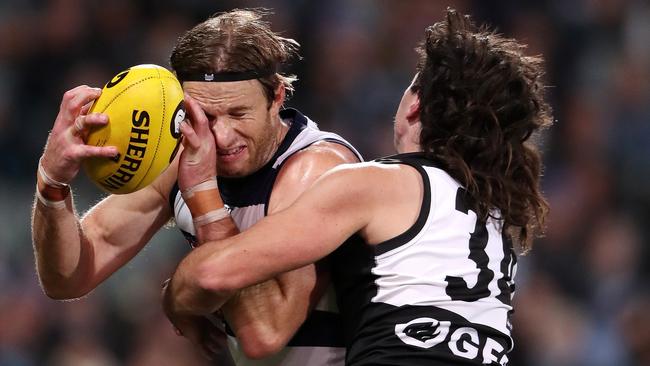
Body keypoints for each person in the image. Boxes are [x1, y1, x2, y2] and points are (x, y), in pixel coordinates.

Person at [162, 8, 552, 366]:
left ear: (415, 105)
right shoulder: (496, 212)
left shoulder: (375, 185)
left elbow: (215, 274)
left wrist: (177, 298)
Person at [31, 8, 361, 366]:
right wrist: (52, 181)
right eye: (204, 116)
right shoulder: (182, 156)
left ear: (277, 96)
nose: (220, 137)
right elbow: (67, 279)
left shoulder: (316, 169)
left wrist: (184, 284)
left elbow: (264, 334)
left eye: (237, 114)